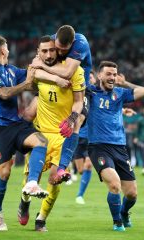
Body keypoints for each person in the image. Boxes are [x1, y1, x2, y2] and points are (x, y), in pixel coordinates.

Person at [0, 36, 69, 231]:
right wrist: (26, 84)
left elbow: (34, 75)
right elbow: (3, 93)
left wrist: (44, 67)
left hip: (15, 123)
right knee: (4, 172)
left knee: (40, 141)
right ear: (3, 50)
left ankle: (31, 184)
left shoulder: (11, 70)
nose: (9, 50)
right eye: (7, 47)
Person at [87, 54, 144, 231]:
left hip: (120, 148)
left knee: (132, 194)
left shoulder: (121, 94)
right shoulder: (90, 92)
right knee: (114, 184)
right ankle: (117, 222)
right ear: (100, 76)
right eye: (108, 74)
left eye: (114, 74)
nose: (112, 77)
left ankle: (124, 213)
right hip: (98, 147)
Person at [17, 35, 85, 231]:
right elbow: (31, 79)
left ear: (58, 50)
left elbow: (79, 102)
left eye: (51, 50)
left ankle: (41, 219)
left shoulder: (75, 71)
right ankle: (25, 201)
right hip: (41, 135)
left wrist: (72, 119)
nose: (48, 54)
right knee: (31, 180)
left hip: (63, 135)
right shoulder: (35, 69)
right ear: (37, 53)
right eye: (43, 51)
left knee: (54, 180)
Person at [30, 25, 92, 183]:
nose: (61, 52)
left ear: (72, 43)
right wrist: (44, 68)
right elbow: (34, 64)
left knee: (76, 120)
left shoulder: (81, 43)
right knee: (30, 111)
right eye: (58, 48)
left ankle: (62, 167)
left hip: (78, 89)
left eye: (65, 50)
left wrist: (42, 65)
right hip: (56, 86)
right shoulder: (51, 41)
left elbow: (67, 73)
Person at [74, 70, 96, 204]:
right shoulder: (78, 93)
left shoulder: (96, 94)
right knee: (81, 170)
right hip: (77, 136)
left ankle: (79, 195)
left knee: (88, 165)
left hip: (91, 137)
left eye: (91, 77)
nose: (89, 79)